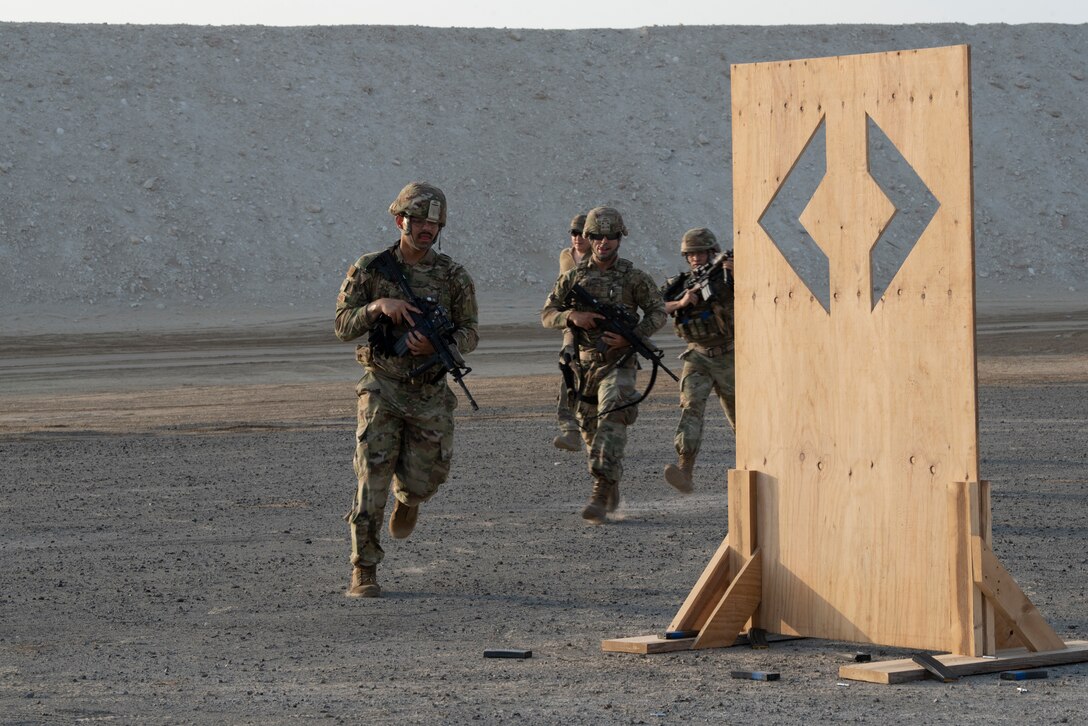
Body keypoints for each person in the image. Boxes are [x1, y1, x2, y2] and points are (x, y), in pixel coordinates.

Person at [335, 181, 479, 598]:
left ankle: (409, 500)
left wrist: (439, 345)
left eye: (434, 224)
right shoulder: (372, 268)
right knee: (371, 478)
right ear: (400, 220)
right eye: (418, 221)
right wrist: (377, 307)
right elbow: (342, 325)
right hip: (382, 385)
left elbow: (470, 332)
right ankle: (364, 568)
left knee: (424, 480)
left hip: (429, 391)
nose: (426, 230)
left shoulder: (453, 275)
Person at [541, 206, 666, 523]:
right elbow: (547, 314)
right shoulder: (573, 277)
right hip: (583, 367)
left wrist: (632, 337)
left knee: (612, 416)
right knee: (591, 433)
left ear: (619, 238)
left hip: (619, 364)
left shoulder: (634, 277)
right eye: (597, 236)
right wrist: (573, 316)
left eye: (610, 236)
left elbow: (658, 311)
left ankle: (599, 491)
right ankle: (609, 482)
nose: (603, 242)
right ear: (589, 237)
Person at [661, 227, 735, 493]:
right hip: (698, 356)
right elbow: (655, 306)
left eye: (700, 253)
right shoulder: (680, 283)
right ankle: (685, 469)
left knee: (742, 417)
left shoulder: (726, 275)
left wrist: (735, 273)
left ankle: (759, 469)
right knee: (691, 408)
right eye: (691, 254)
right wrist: (681, 303)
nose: (695, 258)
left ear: (711, 252)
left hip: (729, 356)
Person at [553, 212, 590, 452]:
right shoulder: (565, 256)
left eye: (582, 234)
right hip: (571, 323)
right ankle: (570, 429)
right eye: (574, 233)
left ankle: (592, 430)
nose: (577, 238)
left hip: (593, 326)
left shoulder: (599, 258)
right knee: (567, 365)